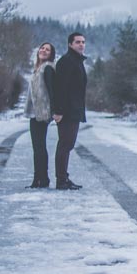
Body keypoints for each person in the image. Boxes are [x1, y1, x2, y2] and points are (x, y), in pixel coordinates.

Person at [52, 32, 88, 190]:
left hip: (74, 110)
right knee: (65, 145)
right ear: (70, 44)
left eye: (83, 42)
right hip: (67, 111)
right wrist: (58, 111)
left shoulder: (77, 61)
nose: (81, 44)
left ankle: (63, 177)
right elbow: (60, 88)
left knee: (67, 144)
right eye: (78, 42)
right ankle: (61, 180)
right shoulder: (67, 62)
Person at [23, 42, 57, 188]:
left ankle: (42, 179)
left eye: (47, 50)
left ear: (51, 54)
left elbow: (52, 91)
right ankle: (39, 178)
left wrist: (54, 111)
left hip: (42, 112)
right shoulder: (38, 68)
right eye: (42, 48)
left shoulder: (48, 68)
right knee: (38, 146)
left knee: (39, 146)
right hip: (35, 112)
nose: (43, 51)